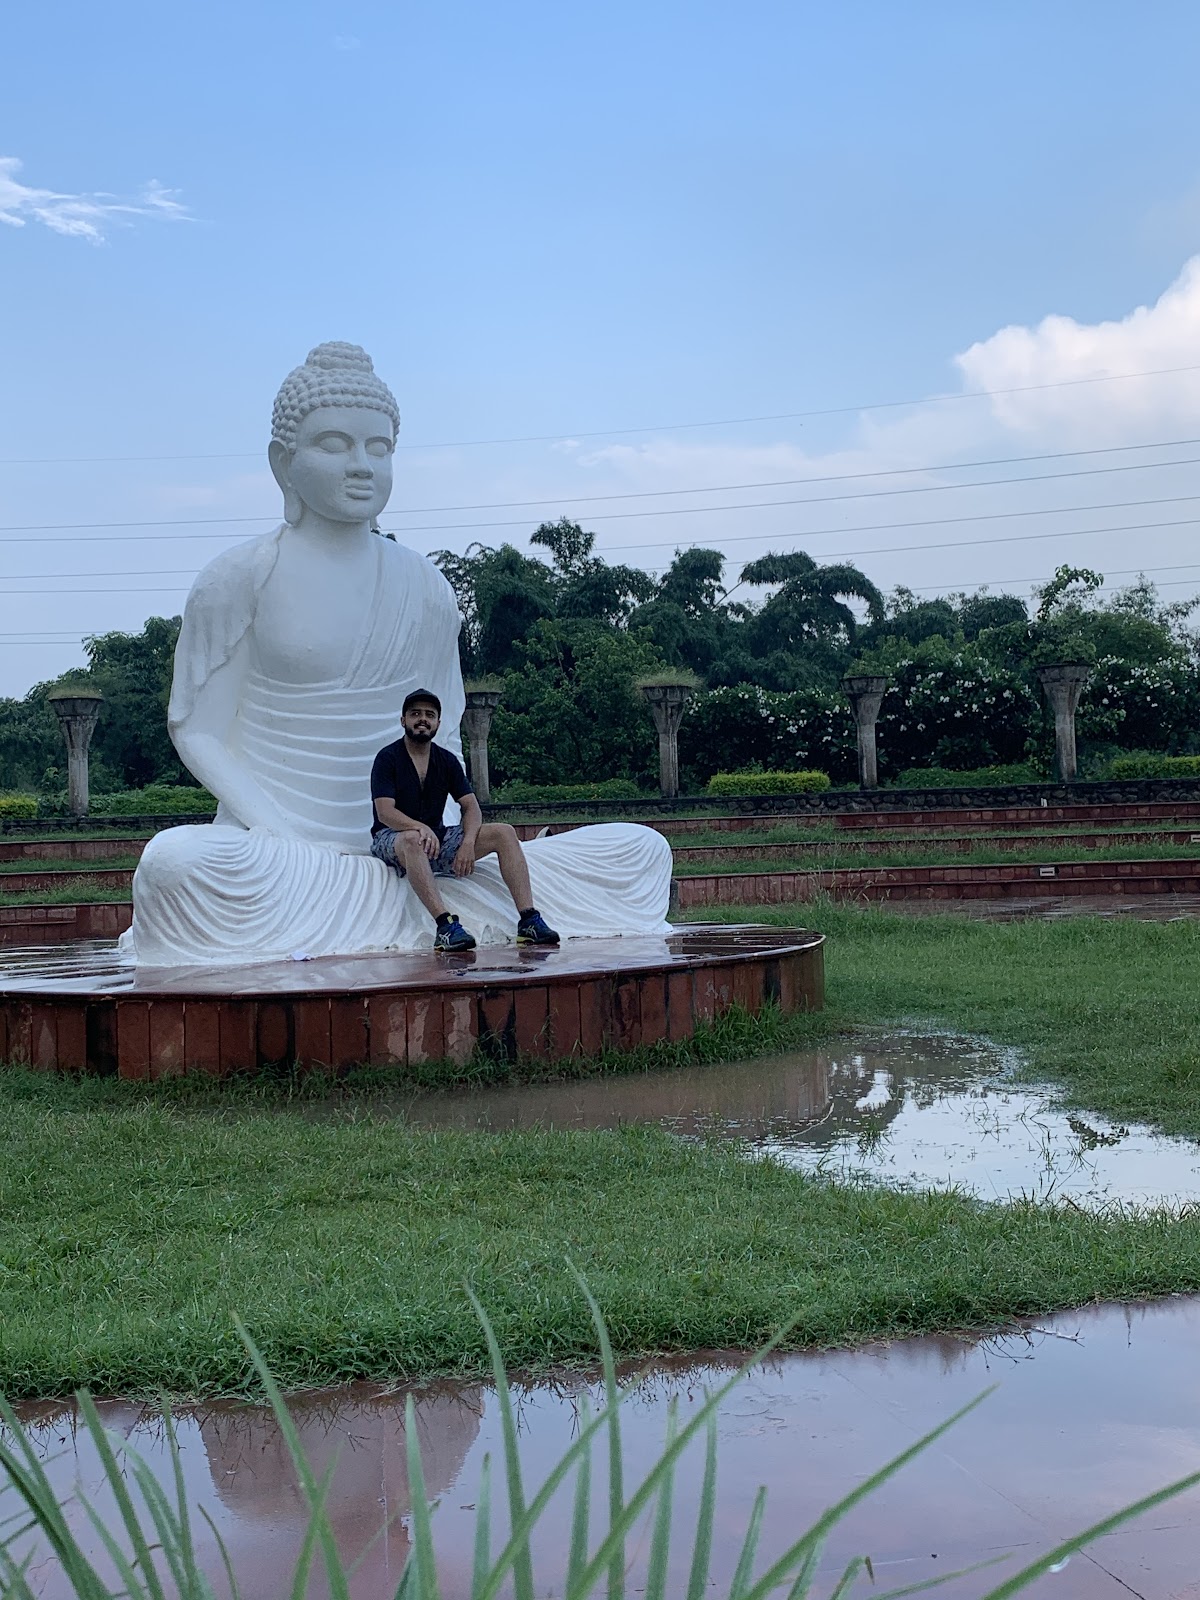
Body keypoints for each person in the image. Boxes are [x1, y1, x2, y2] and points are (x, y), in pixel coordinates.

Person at [123, 342, 672, 966]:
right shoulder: (240, 577)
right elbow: (198, 728)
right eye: (333, 445)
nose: (361, 465)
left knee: (640, 849)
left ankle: (436, 905)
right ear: (283, 462)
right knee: (174, 865)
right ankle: (424, 911)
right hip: (288, 853)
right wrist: (280, 833)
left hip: (419, 848)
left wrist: (456, 842)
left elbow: (447, 740)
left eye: (378, 448)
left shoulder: (426, 587)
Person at [370, 689, 559, 951]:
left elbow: (471, 806)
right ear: (403, 720)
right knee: (413, 838)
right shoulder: (387, 758)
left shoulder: (445, 760)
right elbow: (385, 812)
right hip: (393, 837)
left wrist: (468, 843)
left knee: (504, 832)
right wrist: (419, 827)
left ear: (438, 722)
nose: (422, 719)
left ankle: (528, 921)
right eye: (415, 714)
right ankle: (445, 926)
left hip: (435, 837)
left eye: (429, 715)